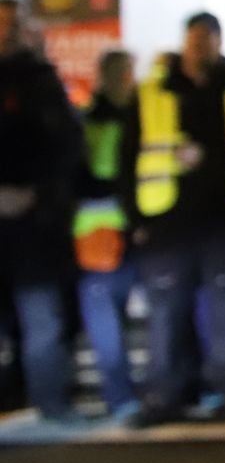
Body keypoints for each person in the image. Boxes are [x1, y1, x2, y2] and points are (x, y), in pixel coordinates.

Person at [123, 12, 225, 425]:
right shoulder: (152, 92)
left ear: (218, 42)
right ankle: (164, 398)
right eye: (195, 39)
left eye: (208, 39)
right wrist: (135, 218)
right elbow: (127, 158)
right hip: (166, 226)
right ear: (184, 42)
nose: (200, 47)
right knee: (165, 320)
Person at [0, 0, 84, 421]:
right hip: (29, 217)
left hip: (36, 223)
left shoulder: (42, 81)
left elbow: (66, 147)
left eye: (13, 24)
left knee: (43, 322)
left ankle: (49, 404)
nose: (7, 32)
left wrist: (33, 191)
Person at [75, 48, 140, 418]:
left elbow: (85, 179)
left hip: (94, 231)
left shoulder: (87, 118)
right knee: (115, 317)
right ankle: (124, 394)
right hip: (125, 227)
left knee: (106, 319)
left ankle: (119, 395)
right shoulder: (129, 119)